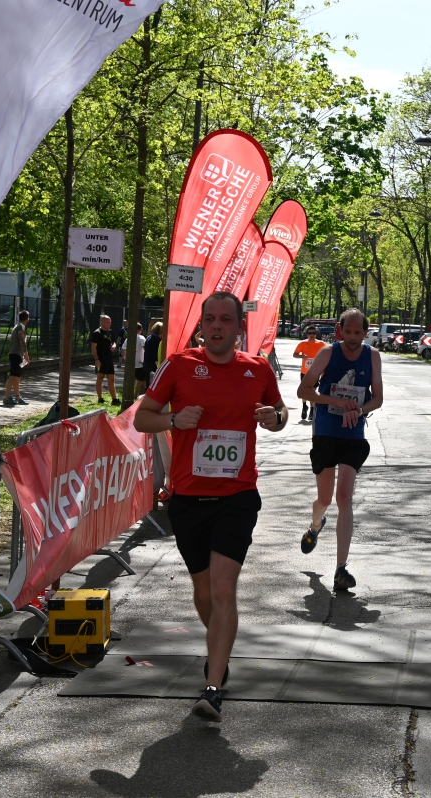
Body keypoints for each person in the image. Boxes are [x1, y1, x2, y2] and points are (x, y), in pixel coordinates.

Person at [133, 291, 287, 722]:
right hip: (189, 499)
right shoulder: (179, 364)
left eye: (226, 320)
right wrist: (173, 420)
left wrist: (275, 419)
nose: (217, 326)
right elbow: (143, 417)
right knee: (204, 592)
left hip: (237, 497)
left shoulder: (257, 369)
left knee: (222, 588)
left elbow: (280, 412)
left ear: (240, 327)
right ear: (202, 326)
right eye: (210, 319)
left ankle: (213, 687)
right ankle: (221, 647)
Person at [296, 308, 383, 593]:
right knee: (325, 498)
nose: (353, 338)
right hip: (326, 431)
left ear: (366, 333)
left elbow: (378, 398)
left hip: (353, 434)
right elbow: (304, 391)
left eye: (358, 333)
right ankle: (315, 525)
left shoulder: (372, 356)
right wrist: (336, 401)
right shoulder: (327, 353)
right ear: (339, 331)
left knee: (344, 496)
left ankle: (340, 569)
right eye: (348, 332)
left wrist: (359, 410)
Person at [291, 325, 327, 421]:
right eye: (310, 333)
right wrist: (301, 356)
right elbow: (294, 354)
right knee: (304, 390)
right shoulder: (302, 343)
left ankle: (311, 410)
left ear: (316, 334)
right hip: (304, 371)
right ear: (307, 334)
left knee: (312, 390)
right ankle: (304, 406)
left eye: (313, 333)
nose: (312, 335)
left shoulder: (321, 344)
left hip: (315, 372)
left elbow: (328, 355)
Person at [2, 309, 30, 407]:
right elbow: (22, 342)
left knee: (17, 376)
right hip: (16, 354)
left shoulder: (18, 326)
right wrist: (26, 355)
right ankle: (6, 397)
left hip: (17, 355)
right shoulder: (20, 327)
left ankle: (17, 397)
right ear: (27, 319)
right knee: (13, 375)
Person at [91, 315, 118, 405]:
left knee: (111, 379)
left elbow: (113, 342)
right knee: (100, 377)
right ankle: (100, 398)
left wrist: (114, 346)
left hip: (109, 359)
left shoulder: (110, 332)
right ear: (102, 322)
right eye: (107, 322)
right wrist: (96, 359)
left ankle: (114, 399)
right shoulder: (97, 333)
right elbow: (93, 347)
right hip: (100, 359)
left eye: (110, 322)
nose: (109, 324)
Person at [142, 321, 162, 388]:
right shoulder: (156, 339)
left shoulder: (149, 337)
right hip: (152, 366)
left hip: (146, 364)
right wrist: (158, 366)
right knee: (151, 385)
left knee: (148, 384)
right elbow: (154, 354)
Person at [132, 322, 148, 394]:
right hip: (140, 364)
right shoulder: (141, 338)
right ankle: (141, 396)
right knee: (143, 382)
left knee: (132, 381)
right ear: (140, 330)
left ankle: (129, 395)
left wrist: (125, 357)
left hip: (131, 364)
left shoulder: (129, 338)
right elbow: (146, 349)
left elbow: (123, 349)